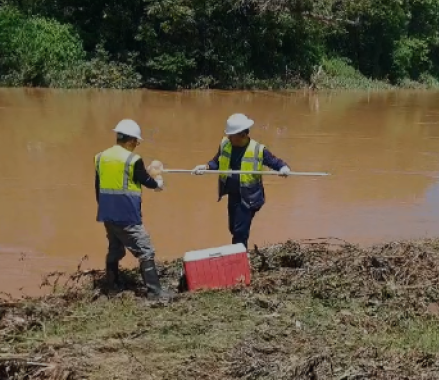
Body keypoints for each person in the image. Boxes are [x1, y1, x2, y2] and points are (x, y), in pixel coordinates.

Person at [94, 119, 176, 301]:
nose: (136, 146)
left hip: (107, 213)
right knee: (145, 250)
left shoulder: (100, 157)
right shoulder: (133, 159)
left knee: (115, 248)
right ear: (131, 140)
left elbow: (98, 187)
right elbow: (149, 183)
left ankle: (112, 286)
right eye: (137, 142)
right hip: (127, 215)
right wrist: (159, 181)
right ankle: (155, 293)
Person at [192, 113, 291, 249]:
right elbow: (217, 162)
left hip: (249, 197)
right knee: (233, 227)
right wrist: (205, 167)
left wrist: (283, 168)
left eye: (232, 135)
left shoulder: (258, 150)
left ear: (242, 135)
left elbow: (275, 162)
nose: (229, 138)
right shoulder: (226, 144)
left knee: (240, 232)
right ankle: (239, 250)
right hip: (233, 194)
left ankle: (239, 258)